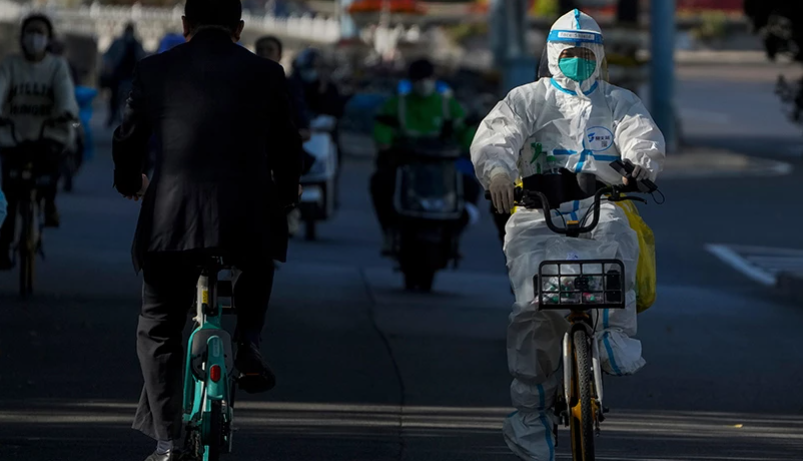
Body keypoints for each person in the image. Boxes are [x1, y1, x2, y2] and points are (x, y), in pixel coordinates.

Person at [470, 10, 665, 461]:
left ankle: (616, 335)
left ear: (598, 55)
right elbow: (495, 137)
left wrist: (639, 166)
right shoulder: (525, 99)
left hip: (602, 206)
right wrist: (498, 171)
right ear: (554, 55)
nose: (578, 60)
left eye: (586, 52)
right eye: (570, 52)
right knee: (532, 307)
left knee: (621, 240)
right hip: (536, 214)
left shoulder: (619, 101)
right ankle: (531, 414)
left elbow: (642, 138)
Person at [111, 0, 302, 457]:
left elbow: (128, 137)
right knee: (257, 258)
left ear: (185, 25)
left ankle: (166, 442)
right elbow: (288, 147)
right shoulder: (267, 73)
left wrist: (129, 180)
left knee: (158, 326)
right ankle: (248, 340)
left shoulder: (155, 69)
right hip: (247, 214)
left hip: (171, 219)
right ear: (239, 28)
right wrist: (287, 190)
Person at [372, 58, 479, 253]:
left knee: (470, 187)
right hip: (407, 167)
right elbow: (383, 128)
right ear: (411, 81)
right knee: (380, 183)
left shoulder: (447, 105)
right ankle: (389, 231)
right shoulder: (398, 104)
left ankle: (454, 233)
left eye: (427, 78)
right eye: (418, 79)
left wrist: (474, 148)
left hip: (443, 170)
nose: (423, 83)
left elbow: (465, 130)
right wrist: (385, 144)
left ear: (434, 79)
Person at [0, 13, 78, 269]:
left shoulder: (57, 67)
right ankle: (4, 246)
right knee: (9, 193)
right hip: (14, 136)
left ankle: (49, 202)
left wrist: (65, 113)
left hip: (48, 134)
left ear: (48, 38)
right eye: (30, 32)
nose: (35, 38)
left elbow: (65, 94)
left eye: (40, 33)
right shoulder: (10, 65)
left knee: (49, 172)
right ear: (22, 37)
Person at [102, 22, 145, 127]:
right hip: (122, 75)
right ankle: (114, 116)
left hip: (128, 76)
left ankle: (117, 116)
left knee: (120, 97)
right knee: (116, 96)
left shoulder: (132, 43)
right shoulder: (128, 43)